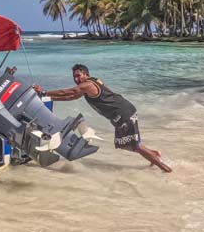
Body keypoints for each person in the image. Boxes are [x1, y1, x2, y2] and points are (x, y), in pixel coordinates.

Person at [35, 64, 172, 173]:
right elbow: (70, 97)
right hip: (122, 114)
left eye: (78, 76)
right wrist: (46, 97)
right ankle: (154, 154)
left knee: (135, 146)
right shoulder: (90, 84)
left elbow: (68, 92)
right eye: (74, 77)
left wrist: (44, 92)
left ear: (86, 75)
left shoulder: (87, 85)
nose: (76, 79)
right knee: (124, 144)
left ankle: (165, 168)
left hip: (123, 114)